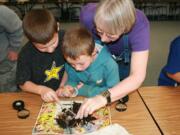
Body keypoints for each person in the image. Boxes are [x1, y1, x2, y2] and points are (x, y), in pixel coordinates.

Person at [76, 0, 150, 118]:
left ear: (126, 28)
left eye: (111, 35)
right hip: (98, 61)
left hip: (124, 63)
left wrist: (102, 97)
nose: (104, 40)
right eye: (99, 31)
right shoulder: (87, 15)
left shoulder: (139, 24)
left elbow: (137, 76)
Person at [16, 9, 65, 102]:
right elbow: (22, 83)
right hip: (37, 96)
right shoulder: (26, 54)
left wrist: (63, 85)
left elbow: (71, 66)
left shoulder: (67, 38)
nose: (50, 50)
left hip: (63, 91)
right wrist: (41, 90)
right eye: (43, 48)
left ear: (57, 27)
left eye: (53, 43)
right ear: (31, 40)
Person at [56, 26, 119, 98]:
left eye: (81, 64)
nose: (77, 68)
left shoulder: (110, 65)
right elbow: (72, 81)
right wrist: (69, 88)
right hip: (81, 100)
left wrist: (86, 90)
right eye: (72, 64)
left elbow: (114, 91)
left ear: (93, 53)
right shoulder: (72, 61)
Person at [0, 5, 23, 92]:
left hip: (4, 61)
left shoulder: (2, 12)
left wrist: (14, 49)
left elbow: (18, 29)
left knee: (7, 89)